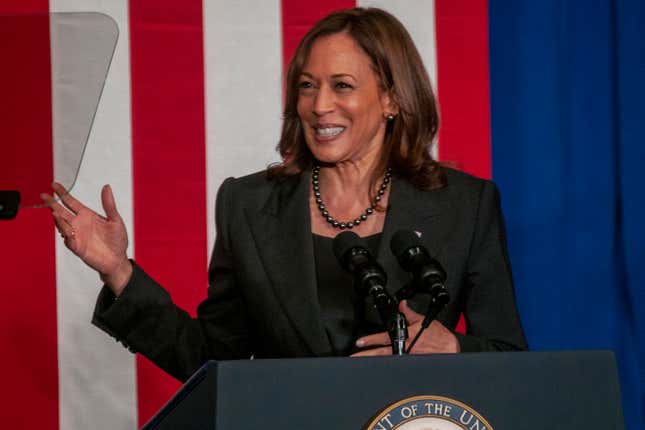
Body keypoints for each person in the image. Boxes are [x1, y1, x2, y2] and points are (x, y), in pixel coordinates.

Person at [42, 7, 527, 382]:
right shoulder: (249, 205)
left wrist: (455, 351)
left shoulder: (465, 204)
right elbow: (212, 361)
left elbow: (511, 358)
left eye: (342, 85)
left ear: (392, 99)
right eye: (307, 86)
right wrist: (119, 271)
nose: (319, 106)